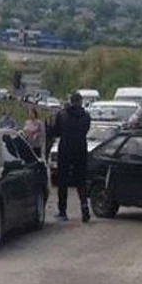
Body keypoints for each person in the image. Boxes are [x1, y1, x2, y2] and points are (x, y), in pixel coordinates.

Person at [49, 92, 92, 223]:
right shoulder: (86, 116)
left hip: (65, 149)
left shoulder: (62, 115)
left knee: (63, 180)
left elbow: (56, 132)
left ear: (70, 101)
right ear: (81, 101)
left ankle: (63, 211)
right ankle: (84, 206)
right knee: (81, 180)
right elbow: (86, 130)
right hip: (81, 148)